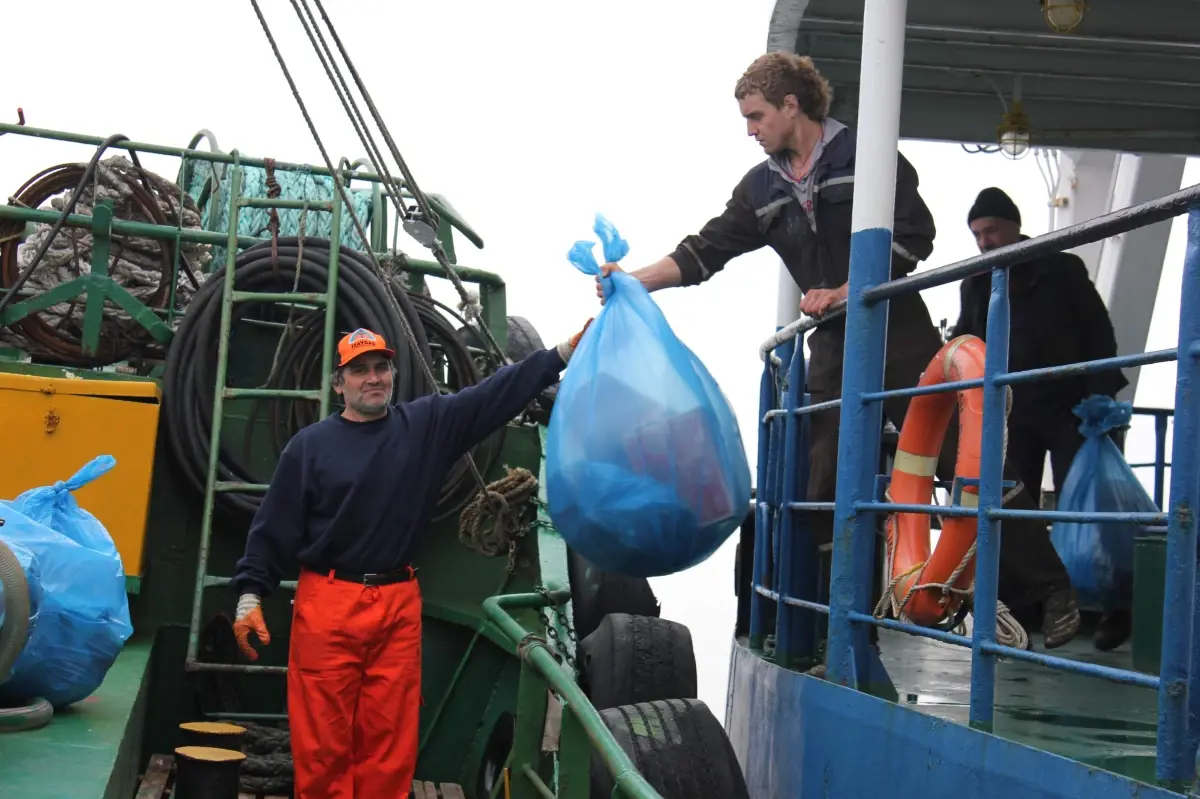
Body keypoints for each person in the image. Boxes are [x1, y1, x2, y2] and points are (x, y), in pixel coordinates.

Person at [597, 52, 1080, 651]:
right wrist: (631, 279)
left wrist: (852, 290)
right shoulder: (761, 188)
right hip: (832, 353)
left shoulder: (868, 157)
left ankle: (1050, 594)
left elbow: (916, 235)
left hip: (900, 338)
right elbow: (705, 251)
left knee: (971, 464)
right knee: (823, 488)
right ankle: (841, 634)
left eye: (755, 116)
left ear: (791, 105)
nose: (750, 130)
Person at [229, 321, 591, 798]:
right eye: (359, 370)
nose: (373, 377)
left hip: (397, 605)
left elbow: (493, 395)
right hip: (328, 602)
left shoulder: (425, 426)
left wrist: (561, 353)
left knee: (390, 743)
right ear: (339, 383)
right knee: (322, 744)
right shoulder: (309, 448)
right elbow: (273, 528)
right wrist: (249, 594)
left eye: (382, 367)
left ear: (393, 376)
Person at [955, 187, 1130, 651]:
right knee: (1012, 508)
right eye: (978, 235)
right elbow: (966, 337)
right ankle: (1028, 609)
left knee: (1090, 509)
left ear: (1014, 226)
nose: (986, 243)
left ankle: (1116, 608)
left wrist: (1098, 397)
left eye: (992, 230)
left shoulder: (1062, 269)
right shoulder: (976, 281)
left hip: (1071, 405)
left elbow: (1098, 332)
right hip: (1013, 411)